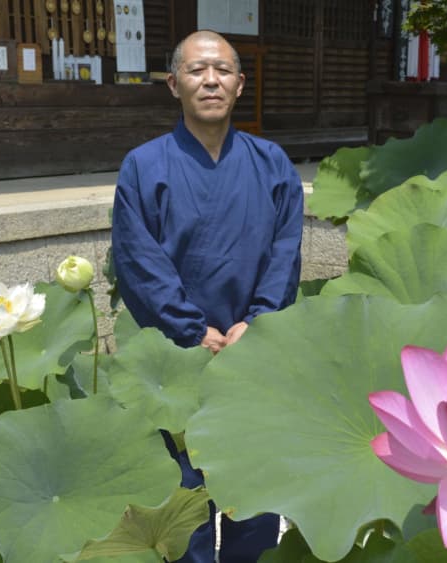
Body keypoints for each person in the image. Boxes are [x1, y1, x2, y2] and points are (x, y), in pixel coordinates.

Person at [111, 30, 304, 562]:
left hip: (252, 350)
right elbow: (137, 260)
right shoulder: (143, 166)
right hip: (177, 356)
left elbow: (286, 251)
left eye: (222, 70)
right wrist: (191, 328)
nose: (210, 80)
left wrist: (258, 320)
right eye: (197, 71)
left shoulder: (272, 164)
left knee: (251, 490)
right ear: (174, 84)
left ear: (240, 85)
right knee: (183, 499)